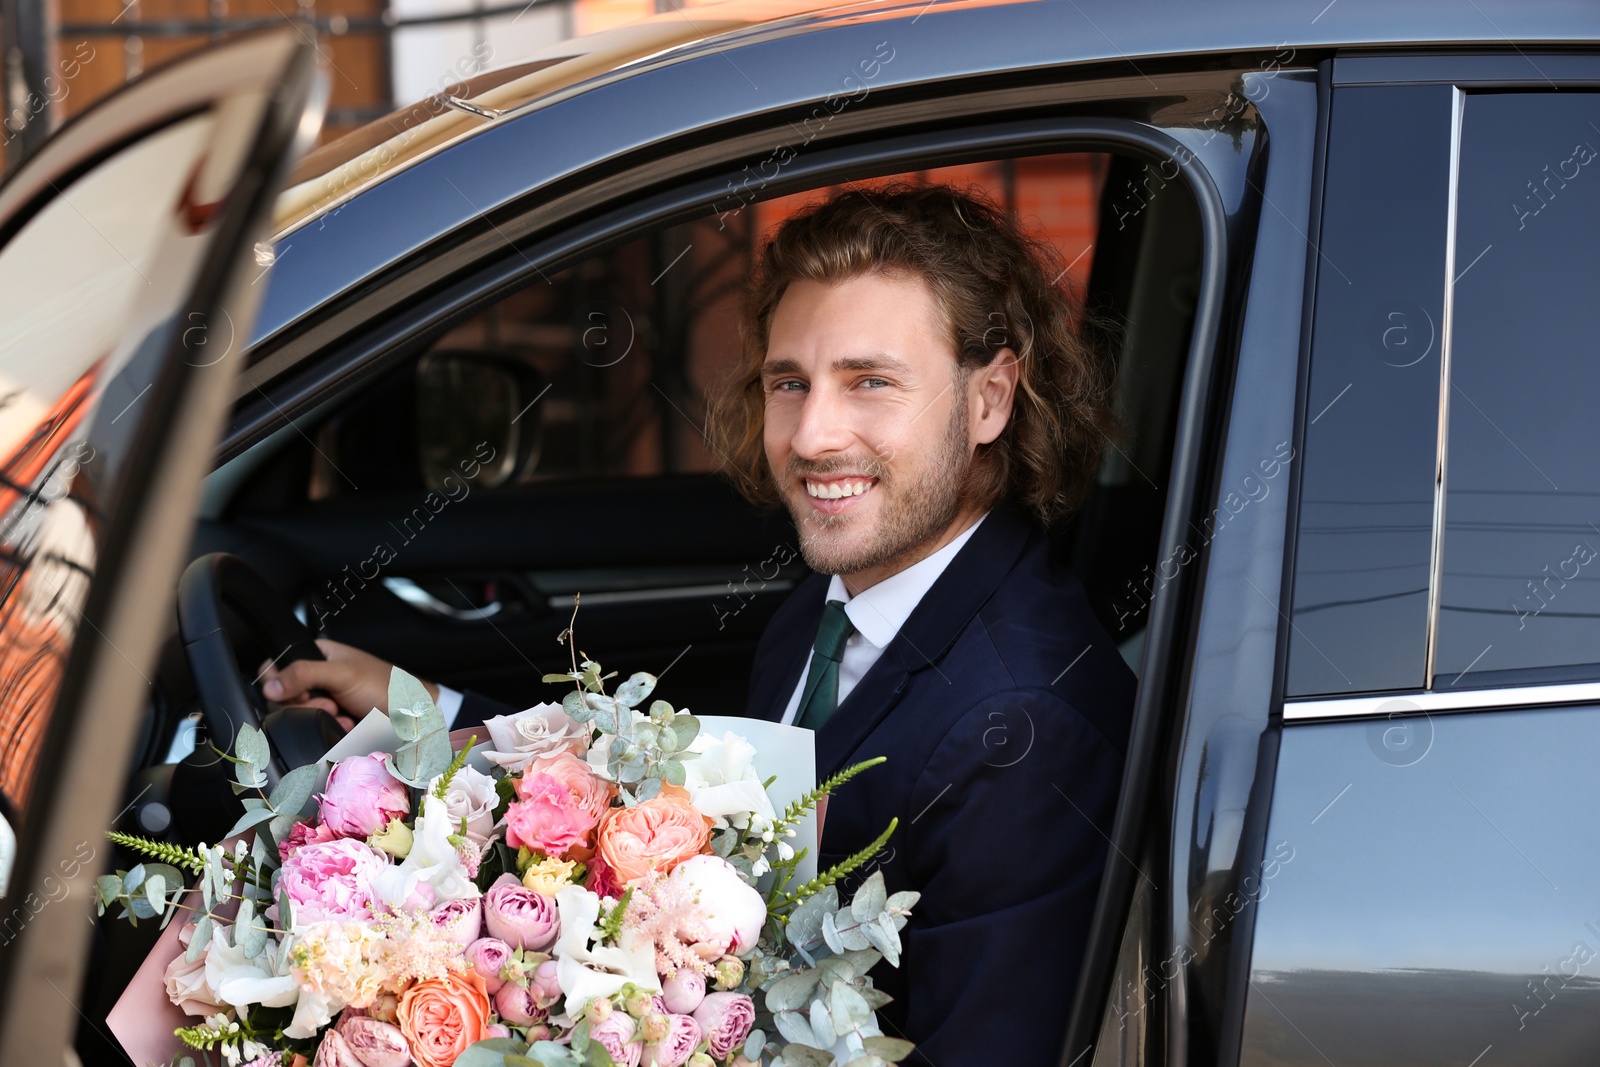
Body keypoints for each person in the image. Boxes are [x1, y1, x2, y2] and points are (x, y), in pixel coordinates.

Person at [261, 181, 1136, 1064]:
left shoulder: (1025, 724)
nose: (813, 435)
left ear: (990, 400)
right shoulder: (822, 613)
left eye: (871, 383)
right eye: (789, 383)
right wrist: (426, 710)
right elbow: (667, 811)